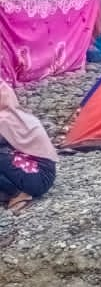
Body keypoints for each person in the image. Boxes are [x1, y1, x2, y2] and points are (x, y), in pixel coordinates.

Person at [0, 82, 57, 213]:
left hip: (38, 178)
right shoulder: (18, 115)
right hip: (37, 175)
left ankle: (16, 193)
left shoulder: (5, 120)